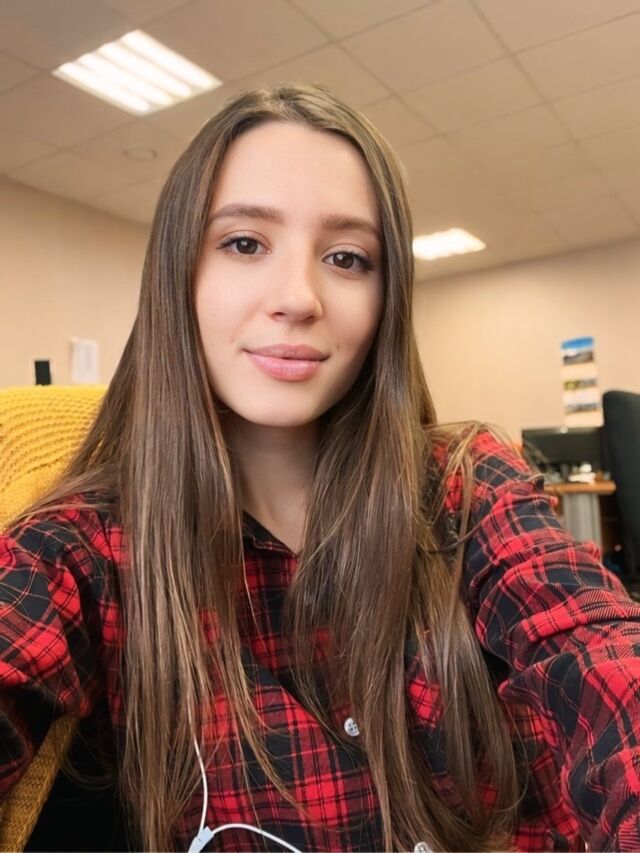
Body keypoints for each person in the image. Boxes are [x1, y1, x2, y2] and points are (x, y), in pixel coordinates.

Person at [1, 83, 640, 853]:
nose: (299, 298)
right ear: (177, 275)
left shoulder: (465, 486)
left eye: (347, 258)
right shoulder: (84, 547)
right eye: (245, 243)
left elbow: (597, 650)